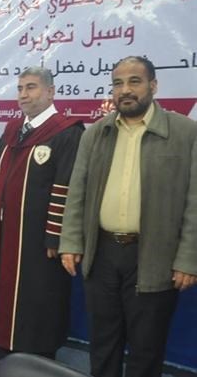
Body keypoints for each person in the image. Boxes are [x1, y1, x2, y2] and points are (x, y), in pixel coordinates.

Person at [59, 56, 197, 377]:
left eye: (134, 81)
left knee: (146, 347)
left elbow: (195, 201)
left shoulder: (185, 132)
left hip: (154, 256)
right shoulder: (97, 133)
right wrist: (71, 241)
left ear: (153, 86)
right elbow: (77, 191)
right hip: (103, 254)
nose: (125, 90)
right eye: (118, 83)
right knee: (103, 342)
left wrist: (188, 260)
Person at [0, 67, 84, 371]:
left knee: (40, 294)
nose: (23, 94)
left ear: (50, 92)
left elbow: (68, 187)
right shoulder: (13, 129)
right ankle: (4, 346)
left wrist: (56, 236)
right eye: (20, 88)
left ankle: (41, 356)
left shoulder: (67, 131)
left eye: (31, 87)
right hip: (7, 229)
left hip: (40, 236)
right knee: (4, 288)